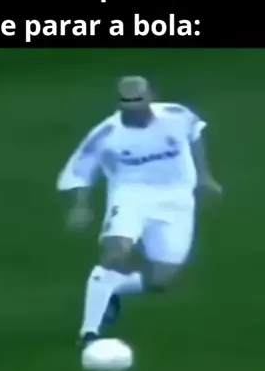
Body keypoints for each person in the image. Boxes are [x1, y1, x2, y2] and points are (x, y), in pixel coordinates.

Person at [56, 76, 222, 344]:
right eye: (127, 101)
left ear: (151, 96)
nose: (133, 106)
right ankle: (89, 332)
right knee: (116, 252)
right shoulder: (107, 134)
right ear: (119, 103)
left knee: (162, 280)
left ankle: (111, 288)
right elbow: (80, 169)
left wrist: (204, 175)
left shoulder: (176, 116)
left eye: (138, 100)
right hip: (131, 195)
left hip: (177, 200)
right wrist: (80, 205)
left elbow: (195, 133)